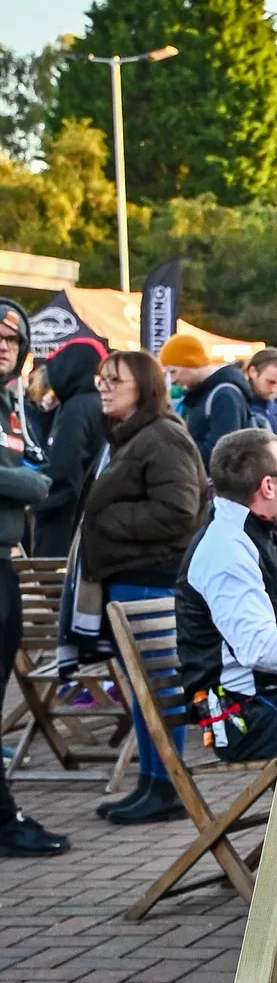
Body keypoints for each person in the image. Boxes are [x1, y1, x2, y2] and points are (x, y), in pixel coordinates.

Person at [81, 349, 208, 825]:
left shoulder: (161, 437)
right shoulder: (129, 437)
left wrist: (108, 520)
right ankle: (153, 782)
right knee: (143, 691)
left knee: (159, 690)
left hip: (151, 584)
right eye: (100, 379)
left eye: (115, 380)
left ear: (145, 387)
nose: (104, 387)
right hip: (130, 582)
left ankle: (169, 786)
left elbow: (178, 510)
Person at [176, 429, 277, 762]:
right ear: (268, 485)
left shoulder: (267, 529)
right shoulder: (225, 548)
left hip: (273, 696)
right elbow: (257, 646)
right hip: (241, 718)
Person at [0, 301, 66, 856]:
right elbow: (34, 480)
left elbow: (40, 472)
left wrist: (26, 479)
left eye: (12, 336)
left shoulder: (11, 405)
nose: (4, 343)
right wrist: (23, 482)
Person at [35, 335, 105, 561]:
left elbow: (65, 468)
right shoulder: (97, 403)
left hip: (65, 525)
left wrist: (40, 505)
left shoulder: (76, 409)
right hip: (88, 522)